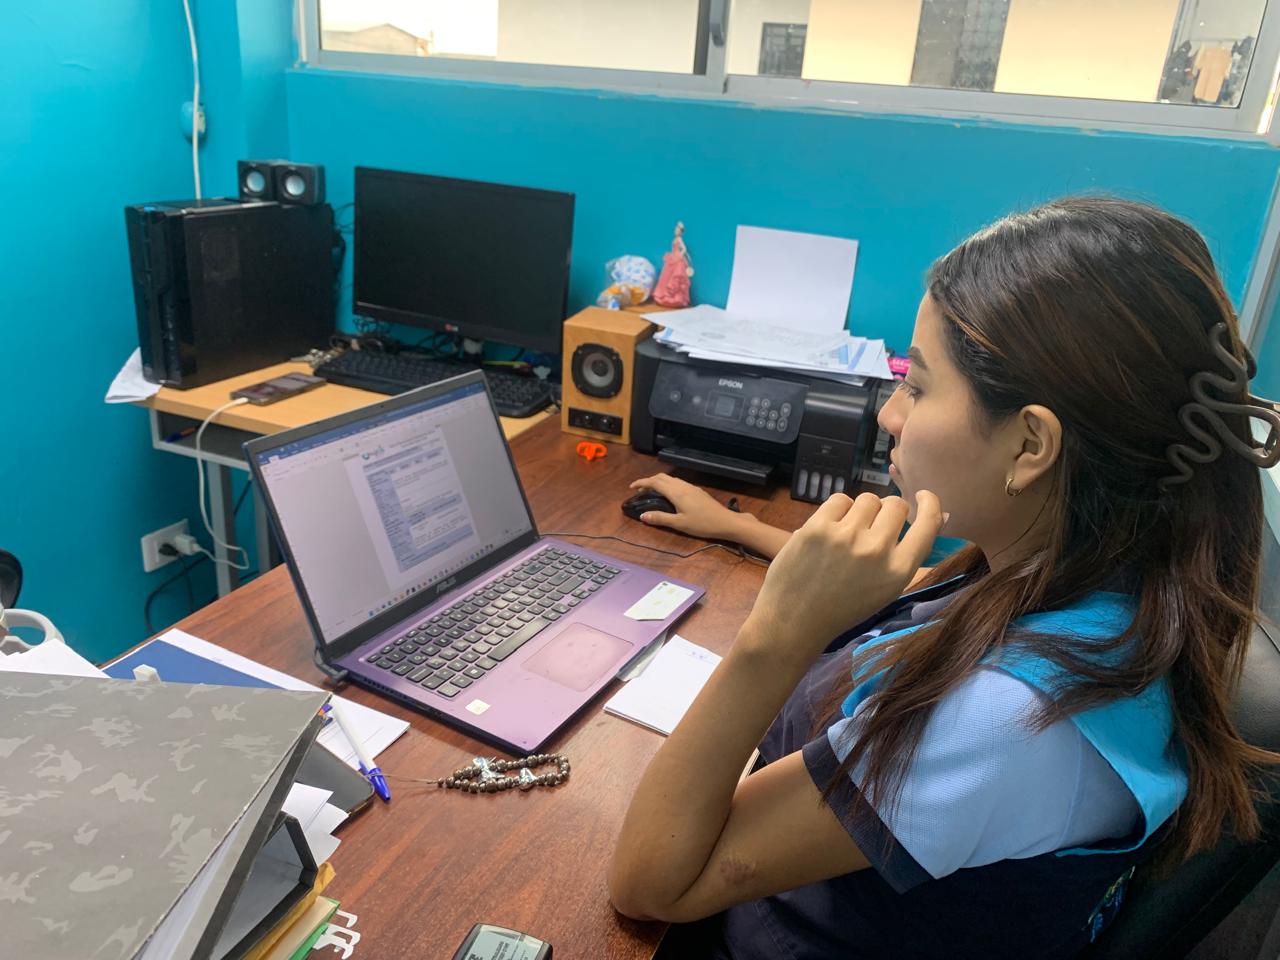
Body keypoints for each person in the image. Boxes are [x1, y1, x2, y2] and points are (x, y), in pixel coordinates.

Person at [607, 196, 1280, 959]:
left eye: (918, 386)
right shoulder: (1105, 583)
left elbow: (651, 883)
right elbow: (924, 586)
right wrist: (737, 526)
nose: (890, 416)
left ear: (1030, 445)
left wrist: (773, 637)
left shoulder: (1007, 727)